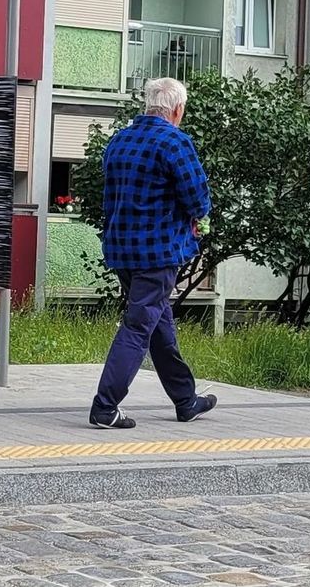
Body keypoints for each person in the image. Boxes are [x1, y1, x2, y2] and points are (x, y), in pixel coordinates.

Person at [89, 77, 217, 430]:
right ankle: (104, 406)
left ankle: (185, 400)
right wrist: (197, 218)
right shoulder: (175, 141)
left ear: (149, 104)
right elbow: (198, 198)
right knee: (138, 326)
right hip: (158, 252)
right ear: (178, 110)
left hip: (122, 249)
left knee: (158, 323)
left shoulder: (119, 140)